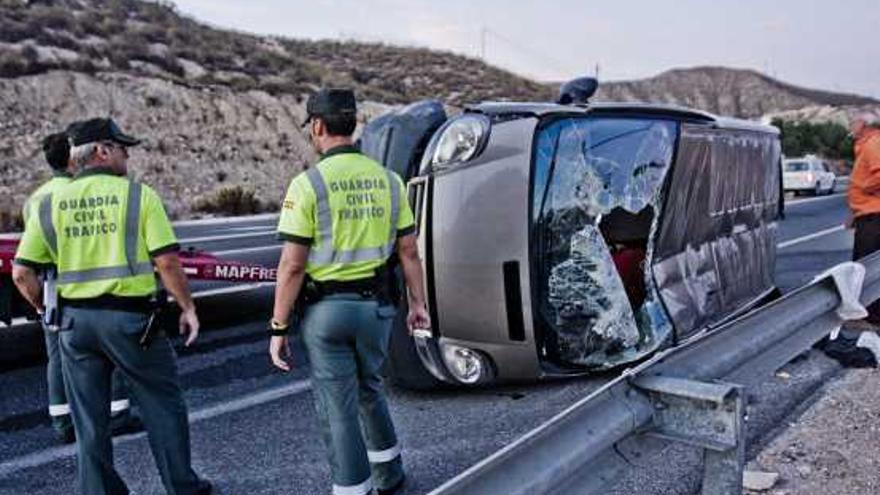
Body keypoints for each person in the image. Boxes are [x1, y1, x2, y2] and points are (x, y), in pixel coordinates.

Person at [12, 118, 211, 495]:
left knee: (89, 420)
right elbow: (167, 262)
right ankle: (182, 486)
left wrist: (44, 310)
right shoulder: (137, 196)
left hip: (75, 325)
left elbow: (22, 273)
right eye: (122, 148)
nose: (127, 154)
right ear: (102, 151)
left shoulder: (49, 202)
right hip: (131, 321)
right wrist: (187, 307)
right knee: (162, 405)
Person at [270, 88, 430, 495]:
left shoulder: (308, 185)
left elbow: (292, 266)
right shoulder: (390, 181)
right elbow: (409, 251)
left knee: (337, 407)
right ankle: (389, 474)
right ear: (354, 124)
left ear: (318, 126)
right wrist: (418, 304)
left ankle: (351, 489)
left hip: (327, 313)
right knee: (370, 388)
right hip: (376, 309)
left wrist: (278, 326)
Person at [24, 129, 140, 445]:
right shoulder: (81, 193)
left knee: (58, 359)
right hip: (89, 287)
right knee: (109, 354)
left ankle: (62, 422)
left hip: (51, 289)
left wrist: (38, 302)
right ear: (73, 158)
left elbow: (27, 261)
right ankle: (116, 414)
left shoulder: (36, 198)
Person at [848, 114, 880, 322]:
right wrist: (854, 214)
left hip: (874, 217)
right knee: (866, 266)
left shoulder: (874, 143)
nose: (850, 126)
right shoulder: (866, 145)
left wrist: (865, 188)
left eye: (853, 122)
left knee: (867, 268)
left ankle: (873, 315)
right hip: (867, 215)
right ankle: (871, 313)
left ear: (863, 125)